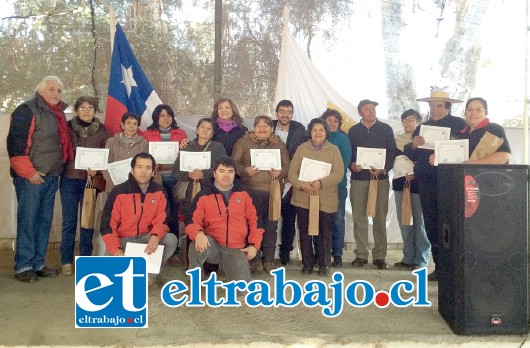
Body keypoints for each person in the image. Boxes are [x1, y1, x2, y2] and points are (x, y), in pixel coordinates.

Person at [7, 76, 73, 282]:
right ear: (41, 91)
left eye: (59, 90)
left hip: (52, 176)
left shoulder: (58, 113)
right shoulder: (26, 110)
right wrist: (29, 172)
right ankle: (23, 266)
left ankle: (38, 263)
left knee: (44, 222)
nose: (56, 93)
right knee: (28, 221)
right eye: (51, 89)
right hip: (31, 177)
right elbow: (15, 144)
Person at [404, 90, 466, 281]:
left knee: (453, 224)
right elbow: (411, 155)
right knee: (432, 225)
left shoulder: (460, 125)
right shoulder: (423, 127)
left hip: (451, 182)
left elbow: (467, 151)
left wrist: (451, 146)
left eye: (439, 105)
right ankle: (439, 267)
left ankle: (456, 268)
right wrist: (414, 145)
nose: (434, 109)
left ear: (448, 107)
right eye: (431, 106)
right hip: (427, 183)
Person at [100, 152, 178, 285]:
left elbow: (163, 220)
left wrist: (155, 236)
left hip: (145, 239)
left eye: (148, 168)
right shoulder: (119, 192)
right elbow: (107, 225)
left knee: (171, 239)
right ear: (132, 170)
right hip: (123, 241)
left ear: (154, 172)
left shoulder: (160, 192)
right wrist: (116, 250)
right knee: (109, 279)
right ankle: (127, 270)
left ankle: (148, 273)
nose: (143, 172)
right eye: (139, 167)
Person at [185, 156, 264, 282]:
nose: (226, 175)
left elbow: (256, 223)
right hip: (212, 246)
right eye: (222, 171)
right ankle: (194, 282)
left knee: (241, 291)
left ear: (235, 174)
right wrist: (198, 233)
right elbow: (191, 220)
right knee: (196, 244)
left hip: (236, 249)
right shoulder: (203, 195)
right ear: (214, 173)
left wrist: (254, 246)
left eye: (230, 171)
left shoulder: (246, 194)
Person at [232, 116, 290, 274]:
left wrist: (281, 172)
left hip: (273, 191)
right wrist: (245, 171)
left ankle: (269, 260)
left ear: (272, 128)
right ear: (254, 127)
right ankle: (256, 259)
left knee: (271, 225)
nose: (262, 128)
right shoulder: (243, 143)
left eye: (266, 125)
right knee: (254, 225)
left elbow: (287, 166)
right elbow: (233, 163)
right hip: (251, 190)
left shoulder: (279, 144)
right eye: (259, 125)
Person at [59, 96, 110, 276]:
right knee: (69, 221)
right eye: (82, 107)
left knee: (87, 221)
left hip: (91, 182)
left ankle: (85, 259)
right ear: (76, 110)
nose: (86, 111)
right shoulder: (67, 128)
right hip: (69, 179)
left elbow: (107, 156)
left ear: (95, 111)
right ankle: (66, 260)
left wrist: (97, 170)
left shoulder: (103, 131)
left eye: (90, 108)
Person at [288, 118, 344, 276]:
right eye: (314, 130)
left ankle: (324, 264)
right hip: (303, 197)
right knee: (305, 232)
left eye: (321, 130)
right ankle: (307, 264)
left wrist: (321, 183)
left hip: (325, 198)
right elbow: (292, 173)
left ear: (326, 132)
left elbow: (339, 173)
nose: (317, 133)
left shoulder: (334, 150)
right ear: (309, 132)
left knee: (324, 233)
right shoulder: (301, 149)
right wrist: (301, 184)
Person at [348, 99, 396, 270]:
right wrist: (352, 165)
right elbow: (349, 155)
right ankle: (361, 254)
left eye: (373, 109)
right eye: (367, 109)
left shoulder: (385, 129)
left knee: (379, 218)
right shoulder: (353, 131)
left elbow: (392, 153)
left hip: (380, 181)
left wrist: (384, 169)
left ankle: (380, 256)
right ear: (360, 112)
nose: (371, 112)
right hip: (359, 180)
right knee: (359, 217)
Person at [142, 104, 189, 264]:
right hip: (155, 180)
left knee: (173, 215)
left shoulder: (181, 133)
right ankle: (155, 247)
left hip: (174, 179)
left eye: (168, 115)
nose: (165, 118)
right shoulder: (147, 134)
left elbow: (185, 156)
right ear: (156, 117)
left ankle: (174, 251)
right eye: (162, 115)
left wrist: (184, 149)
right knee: (155, 214)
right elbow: (143, 156)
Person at [392, 109, 430, 270]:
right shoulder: (396, 139)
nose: (408, 123)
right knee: (405, 221)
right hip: (400, 183)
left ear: (418, 122)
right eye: (405, 120)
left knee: (420, 223)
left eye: (411, 120)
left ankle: (421, 259)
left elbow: (429, 161)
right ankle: (408, 256)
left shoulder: (425, 139)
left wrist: (416, 173)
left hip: (419, 184)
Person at [273, 100, 307, 265]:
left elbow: (302, 156)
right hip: (269, 180)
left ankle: (286, 251)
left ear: (292, 114)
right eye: (282, 111)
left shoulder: (300, 131)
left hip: (290, 182)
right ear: (276, 113)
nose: (285, 114)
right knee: (268, 217)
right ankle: (264, 251)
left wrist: (290, 176)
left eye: (288, 111)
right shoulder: (267, 127)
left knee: (288, 218)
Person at [320, 109, 352, 268]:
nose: (331, 123)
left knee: (337, 221)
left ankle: (337, 254)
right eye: (328, 120)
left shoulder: (343, 139)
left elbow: (344, 164)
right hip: (318, 187)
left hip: (337, 187)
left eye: (335, 121)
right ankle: (320, 253)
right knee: (320, 221)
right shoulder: (317, 137)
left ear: (339, 124)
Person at [102, 112, 149, 193]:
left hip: (137, 187)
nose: (131, 126)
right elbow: (105, 165)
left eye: (135, 124)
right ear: (123, 125)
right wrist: (113, 182)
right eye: (128, 123)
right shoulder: (111, 142)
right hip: (115, 187)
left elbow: (146, 165)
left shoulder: (144, 143)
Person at [456, 97, 511, 164]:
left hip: (487, 173)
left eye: (478, 110)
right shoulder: (460, 134)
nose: (473, 113)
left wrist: (474, 163)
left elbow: (504, 156)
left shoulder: (493, 129)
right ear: (465, 113)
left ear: (486, 113)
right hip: (461, 173)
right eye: (470, 109)